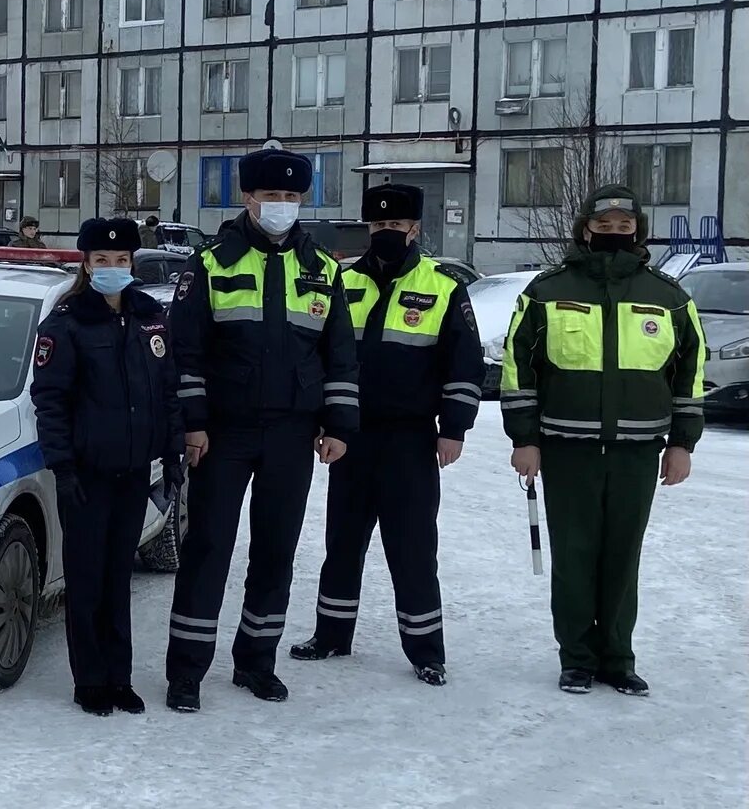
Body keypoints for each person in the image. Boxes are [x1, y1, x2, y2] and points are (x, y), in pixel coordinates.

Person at [164, 147, 360, 712]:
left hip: (292, 434)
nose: (282, 206)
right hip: (223, 434)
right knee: (208, 549)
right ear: (248, 198)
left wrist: (338, 423)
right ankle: (187, 672)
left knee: (276, 551)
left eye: (292, 197)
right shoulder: (211, 264)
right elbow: (186, 353)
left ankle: (256, 661)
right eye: (271, 196)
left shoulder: (322, 269)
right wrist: (194, 425)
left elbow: (340, 356)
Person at [501, 186, 705, 697]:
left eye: (624, 225)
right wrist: (525, 439)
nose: (615, 233)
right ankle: (577, 659)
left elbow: (690, 377)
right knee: (574, 557)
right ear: (585, 230)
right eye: (604, 225)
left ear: (638, 231)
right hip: (567, 448)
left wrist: (683, 444)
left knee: (622, 557)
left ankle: (618, 658)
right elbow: (517, 368)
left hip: (638, 451)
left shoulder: (669, 297)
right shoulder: (547, 292)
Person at [290, 183, 484, 687]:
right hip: (351, 437)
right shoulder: (342, 280)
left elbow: (464, 365)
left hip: (411, 438)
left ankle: (426, 651)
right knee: (342, 542)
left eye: (396, 227)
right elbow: (320, 355)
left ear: (414, 229)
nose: (386, 234)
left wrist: (454, 428)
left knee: (413, 547)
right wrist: (324, 421)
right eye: (378, 227)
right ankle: (331, 634)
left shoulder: (442, 285)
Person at [31, 217, 186, 716]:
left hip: (134, 470)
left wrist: (175, 452)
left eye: (122, 261)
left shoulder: (149, 317)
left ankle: (119, 676)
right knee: (87, 579)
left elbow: (167, 392)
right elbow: (50, 401)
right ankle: (90, 681)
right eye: (103, 261)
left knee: (120, 578)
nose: (114, 268)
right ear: (86, 263)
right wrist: (64, 468)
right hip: (86, 474)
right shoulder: (67, 322)